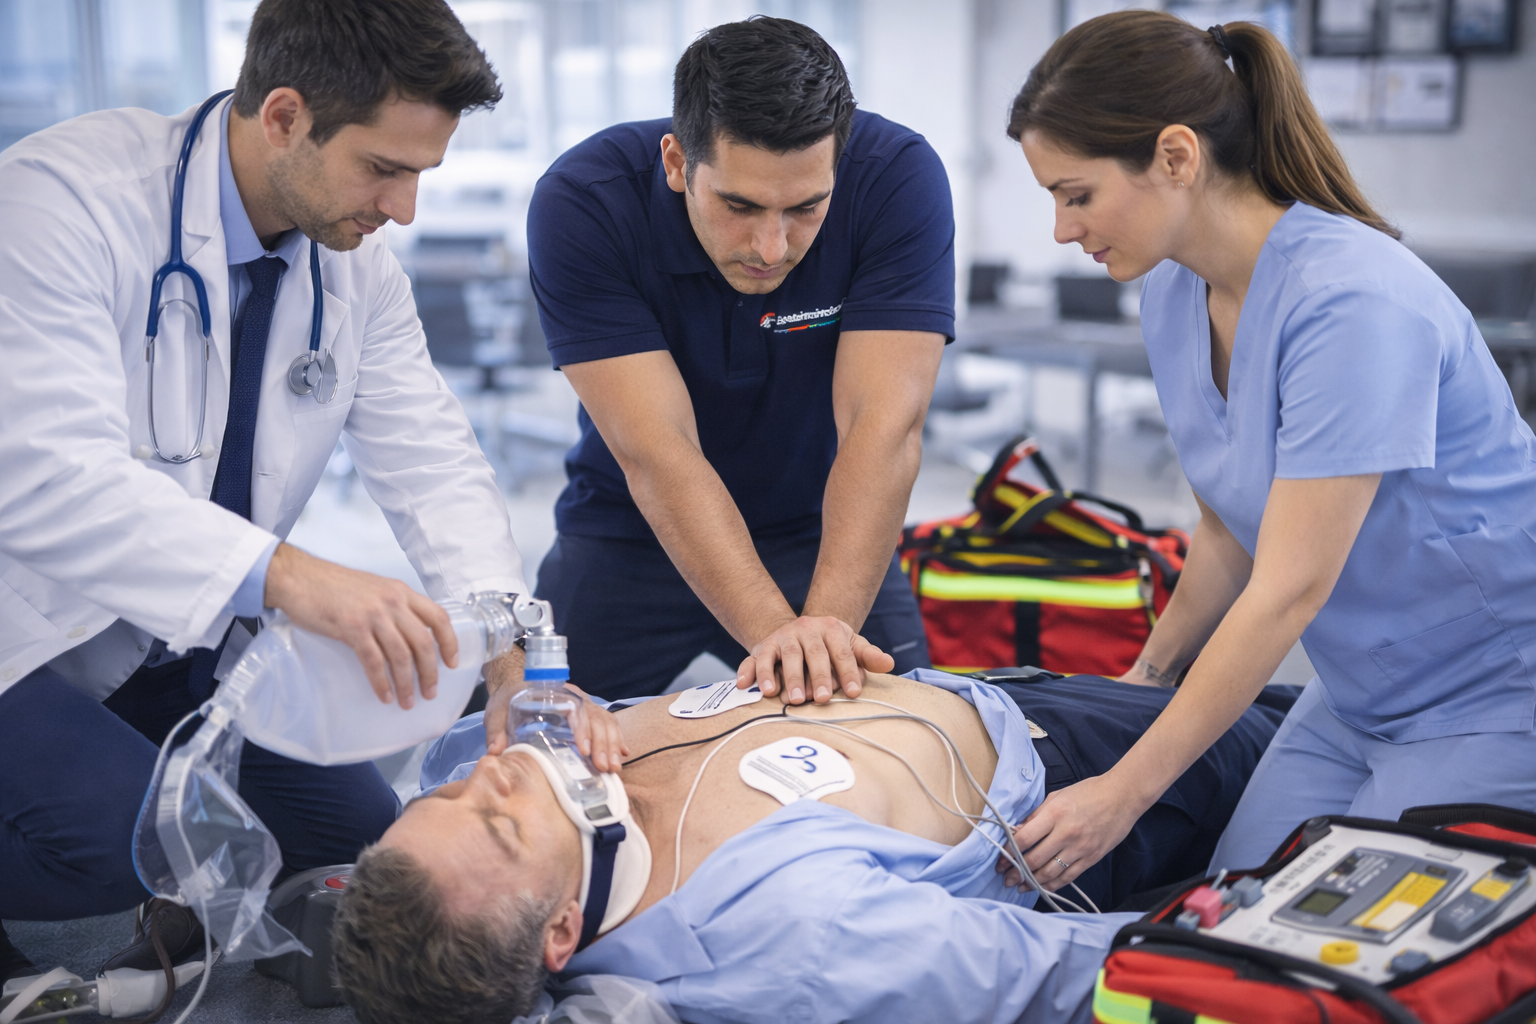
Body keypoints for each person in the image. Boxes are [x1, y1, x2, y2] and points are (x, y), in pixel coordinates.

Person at [0, 0, 529, 980]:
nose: (404, 210)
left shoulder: (354, 266)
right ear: (283, 114)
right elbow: (42, 475)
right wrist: (291, 576)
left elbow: (433, 456)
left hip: (193, 640)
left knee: (362, 851)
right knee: (116, 844)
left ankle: (175, 910)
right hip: (29, 632)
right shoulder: (62, 200)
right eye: (386, 169)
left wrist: (511, 640)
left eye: (421, 174)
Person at [998, 10, 1536, 894]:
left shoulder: (1353, 302)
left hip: (1491, 697)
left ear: (1176, 156)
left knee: (1313, 942)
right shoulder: (1174, 293)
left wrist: (1123, 793)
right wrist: (1146, 678)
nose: (1062, 229)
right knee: (1223, 904)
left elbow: (1289, 585)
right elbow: (1226, 529)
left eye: (1077, 193)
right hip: (1355, 692)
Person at [328, 669, 1292, 1024]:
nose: (491, 778)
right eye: (495, 819)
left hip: (993, 686)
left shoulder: (526, 768)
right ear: (560, 934)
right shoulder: (786, 940)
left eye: (450, 795)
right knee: (1325, 724)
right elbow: (1077, 972)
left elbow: (468, 750)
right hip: (1084, 786)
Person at [526, 16, 953, 706]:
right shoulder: (586, 201)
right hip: (632, 534)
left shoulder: (896, 178)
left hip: (823, 535)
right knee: (527, 748)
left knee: (914, 750)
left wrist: (825, 637)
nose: (771, 246)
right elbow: (657, 452)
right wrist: (784, 640)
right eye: (739, 205)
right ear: (676, 163)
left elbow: (885, 427)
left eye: (806, 208)